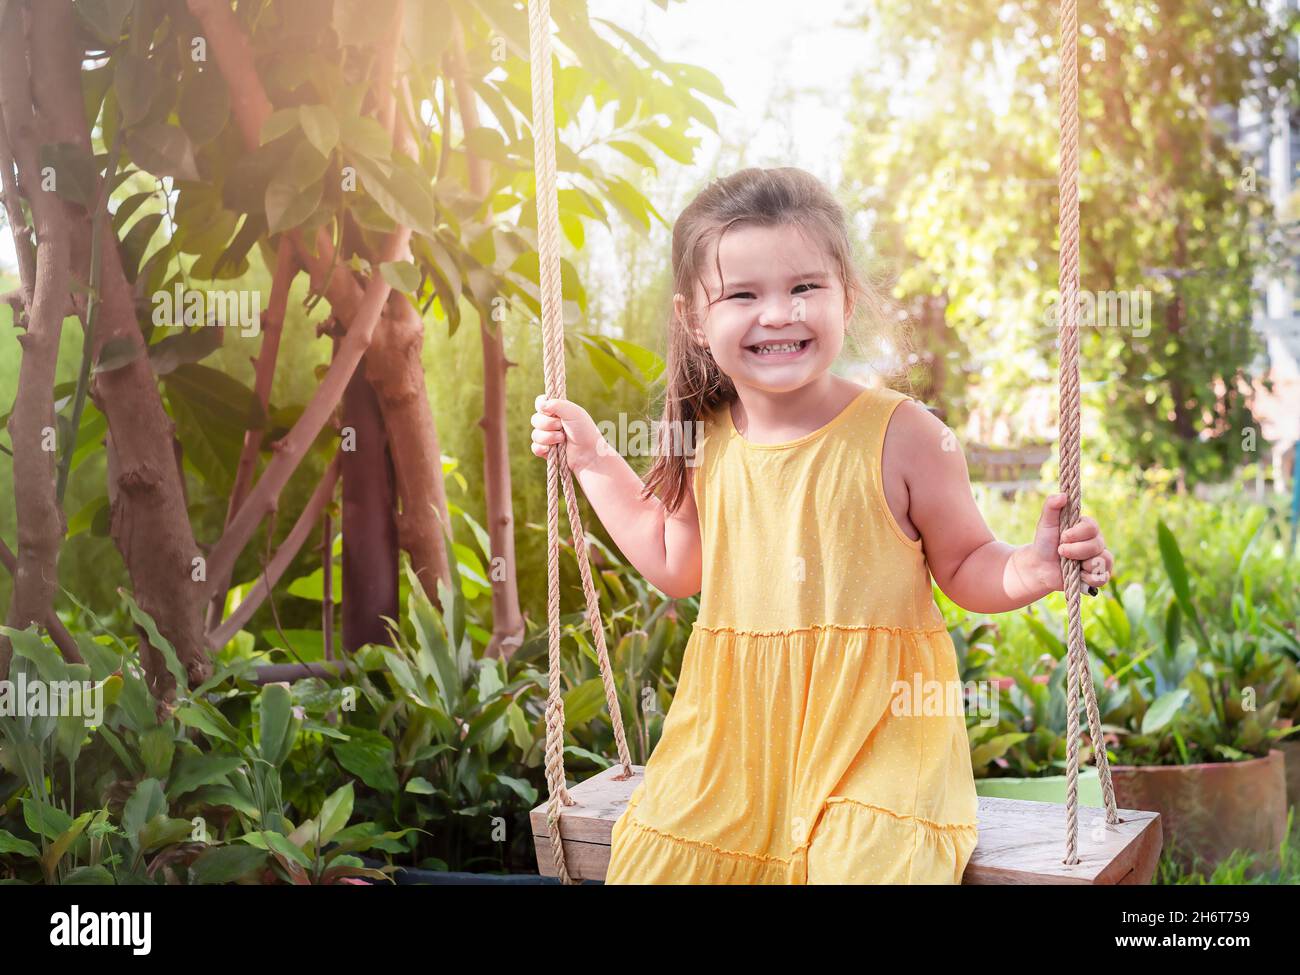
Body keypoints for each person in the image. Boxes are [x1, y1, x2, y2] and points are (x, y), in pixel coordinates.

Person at [529, 167, 1114, 884]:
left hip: (881, 733)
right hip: (733, 736)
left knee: (864, 866)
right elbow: (672, 561)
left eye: (804, 287)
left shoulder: (907, 435)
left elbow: (966, 564)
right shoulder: (702, 439)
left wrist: (1033, 567)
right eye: (743, 294)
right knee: (661, 864)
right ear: (693, 318)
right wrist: (591, 458)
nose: (778, 313)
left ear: (848, 295)